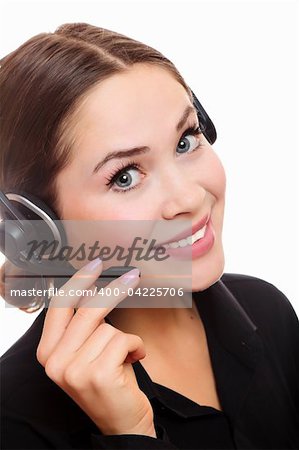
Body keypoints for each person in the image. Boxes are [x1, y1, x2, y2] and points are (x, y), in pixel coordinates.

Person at [0, 22, 298, 450]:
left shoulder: (268, 312)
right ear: (38, 222)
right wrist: (130, 435)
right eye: (124, 176)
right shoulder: (15, 421)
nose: (189, 198)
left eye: (185, 141)